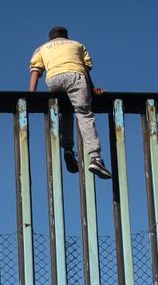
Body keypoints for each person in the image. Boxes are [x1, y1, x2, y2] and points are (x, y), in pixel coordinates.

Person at [28, 26, 112, 179]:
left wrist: (31, 95)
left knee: (66, 111)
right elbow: (85, 69)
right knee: (84, 114)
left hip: (54, 80)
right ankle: (95, 158)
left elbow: (36, 70)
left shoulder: (42, 48)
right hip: (75, 76)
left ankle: (68, 149)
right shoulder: (78, 45)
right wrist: (92, 89)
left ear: (50, 38)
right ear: (66, 37)